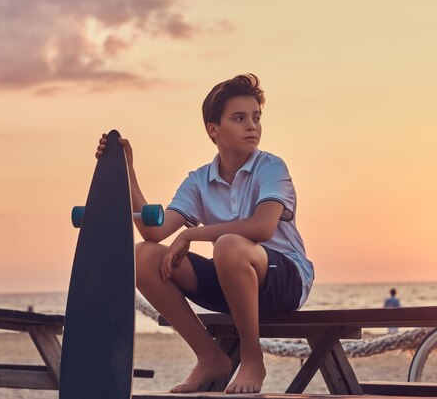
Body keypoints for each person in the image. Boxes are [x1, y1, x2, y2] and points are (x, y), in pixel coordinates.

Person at [95, 74, 314, 394]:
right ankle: (210, 357)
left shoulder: (271, 167)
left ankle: (253, 359)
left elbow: (262, 227)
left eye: (256, 118)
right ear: (214, 129)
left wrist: (191, 235)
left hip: (285, 279)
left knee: (229, 245)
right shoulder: (199, 181)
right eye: (239, 118)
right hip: (232, 280)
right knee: (144, 255)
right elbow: (154, 231)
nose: (251, 126)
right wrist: (126, 170)